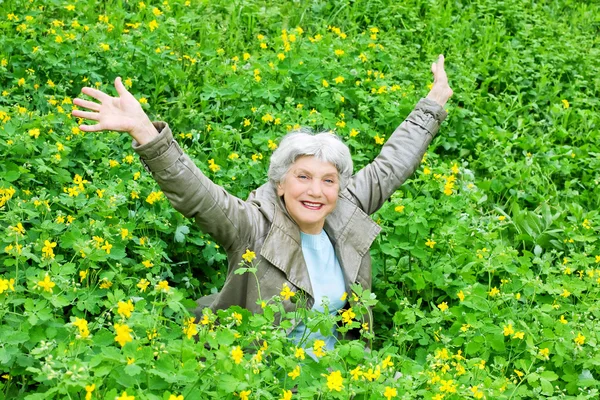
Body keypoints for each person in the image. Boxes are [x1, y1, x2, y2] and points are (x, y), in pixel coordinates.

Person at [72, 54, 453, 350]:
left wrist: (433, 104)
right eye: (303, 177)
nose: (316, 192)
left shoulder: (347, 210)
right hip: (267, 374)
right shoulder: (252, 226)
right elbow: (197, 194)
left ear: (341, 187)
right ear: (280, 183)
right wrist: (144, 132)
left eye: (328, 181)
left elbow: (392, 165)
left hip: (342, 374)